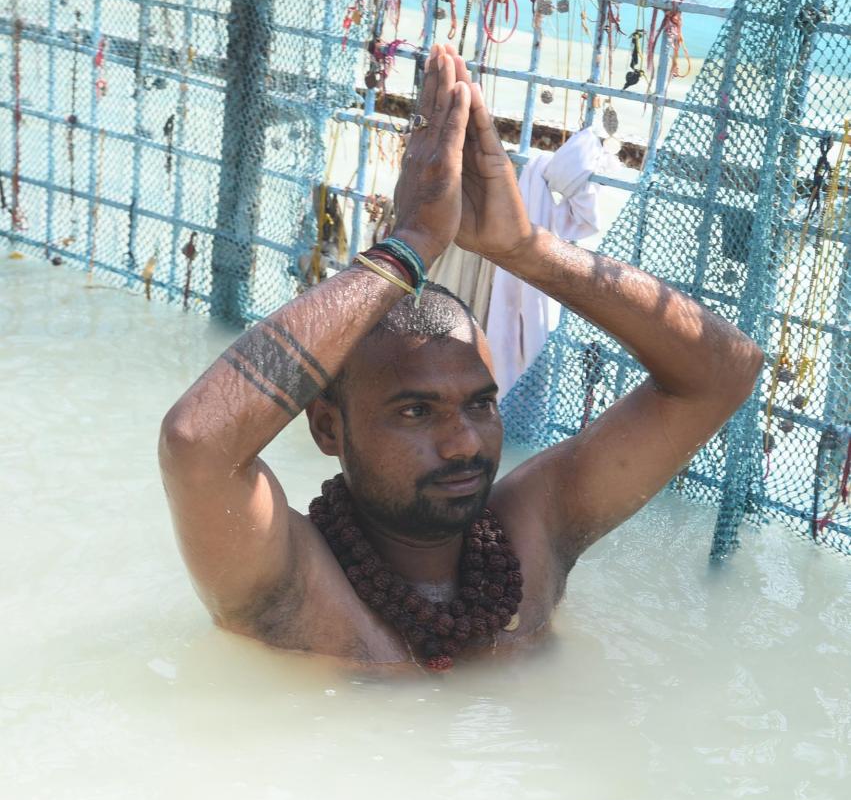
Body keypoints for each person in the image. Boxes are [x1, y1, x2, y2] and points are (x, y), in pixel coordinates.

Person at [159, 44, 763, 670]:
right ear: (328, 427)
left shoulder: (531, 533)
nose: (463, 444)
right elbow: (196, 443)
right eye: (416, 412)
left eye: (480, 404)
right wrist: (409, 244)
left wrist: (527, 248)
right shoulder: (289, 581)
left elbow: (724, 373)